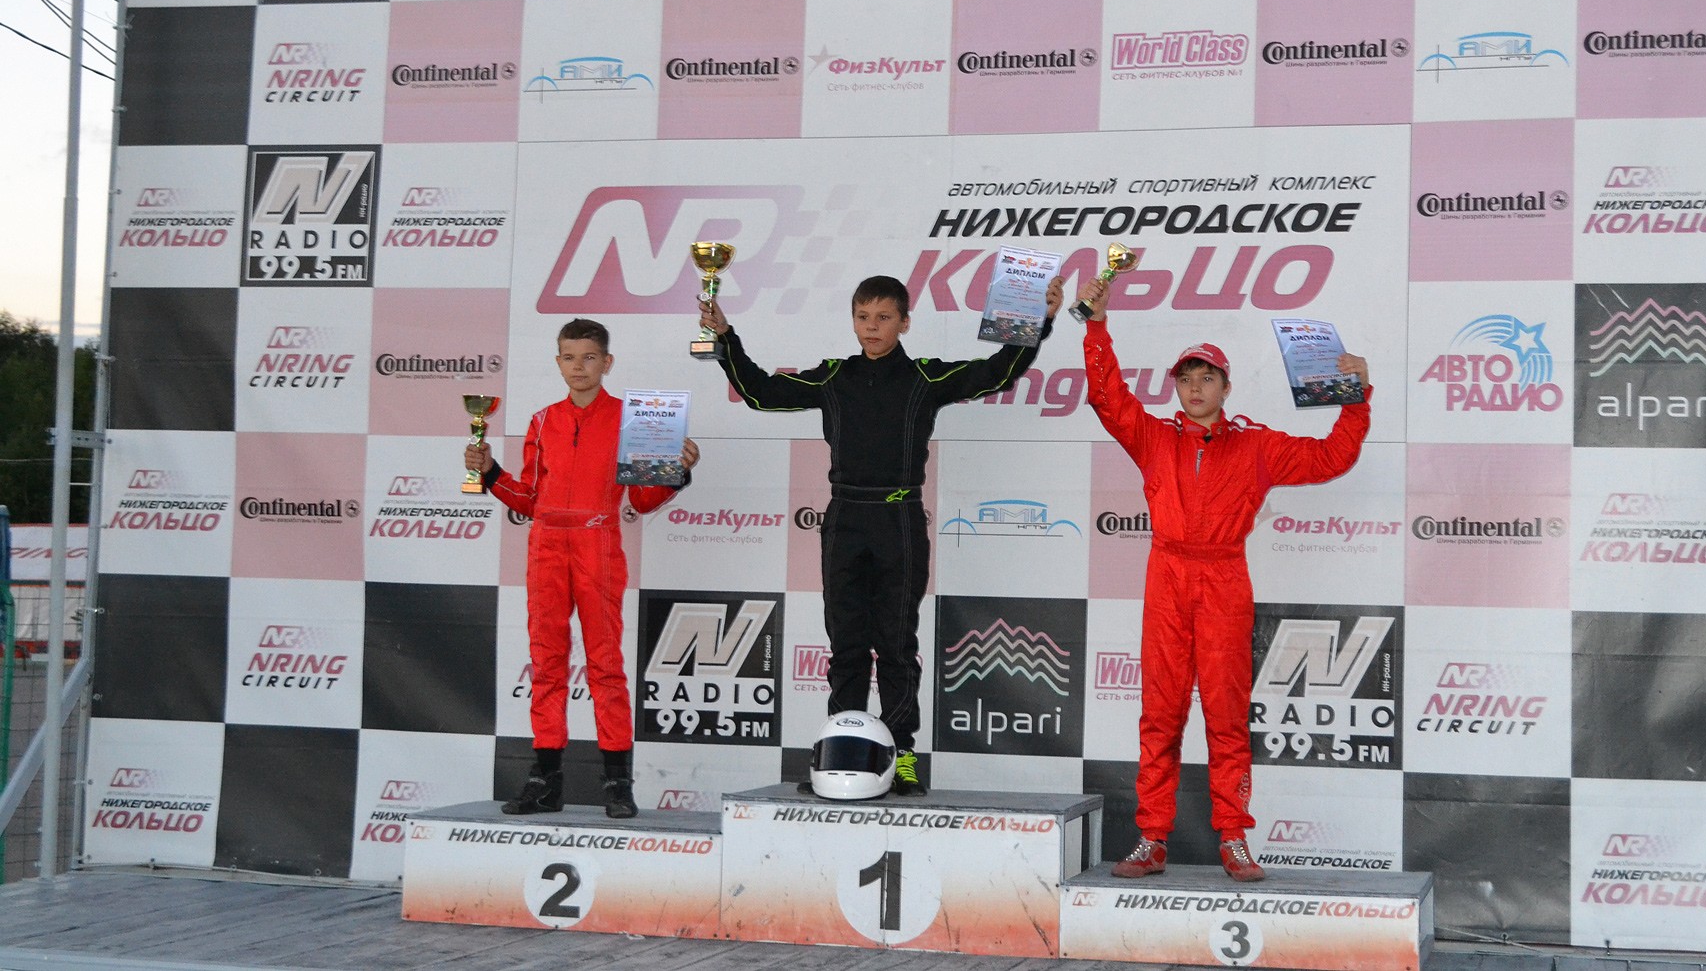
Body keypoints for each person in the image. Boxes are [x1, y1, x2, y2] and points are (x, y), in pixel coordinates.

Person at [701, 273, 1064, 795]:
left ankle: (903, 755)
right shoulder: (833, 376)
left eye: (884, 318)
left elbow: (996, 373)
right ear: (853, 321)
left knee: (895, 644)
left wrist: (1037, 320)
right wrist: (725, 336)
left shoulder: (925, 377)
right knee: (846, 643)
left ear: (904, 323)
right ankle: (841, 751)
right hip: (844, 519)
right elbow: (760, 393)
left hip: (899, 520)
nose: (872, 327)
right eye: (863, 317)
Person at [1077, 276, 1370, 883]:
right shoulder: (1154, 438)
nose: (1195, 387)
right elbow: (1107, 397)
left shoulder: (1256, 445)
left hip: (1224, 576)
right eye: (1185, 378)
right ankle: (1152, 837)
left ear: (1226, 386)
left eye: (1206, 377)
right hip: (1167, 575)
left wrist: (1355, 396)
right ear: (1176, 387)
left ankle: (1233, 836)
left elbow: (1331, 458)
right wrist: (1097, 326)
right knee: (1160, 714)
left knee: (1226, 714)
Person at [465, 317, 700, 819]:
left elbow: (643, 498)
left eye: (589, 357)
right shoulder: (542, 421)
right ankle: (545, 780)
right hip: (546, 545)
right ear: (557, 363)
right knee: (547, 662)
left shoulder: (634, 419)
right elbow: (528, 499)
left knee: (605, 664)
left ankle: (617, 783)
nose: (579, 367)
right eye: (570, 358)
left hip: (598, 543)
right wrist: (489, 472)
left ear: (607, 362)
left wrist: (676, 471)